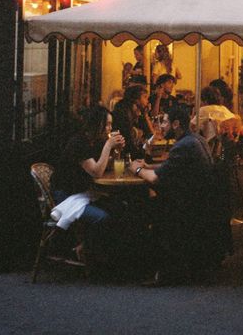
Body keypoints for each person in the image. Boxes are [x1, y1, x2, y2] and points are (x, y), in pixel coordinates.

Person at [128, 107, 230, 284]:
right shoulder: (196, 139)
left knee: (138, 208)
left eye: (166, 122)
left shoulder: (183, 146)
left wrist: (136, 169)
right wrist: (147, 166)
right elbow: (173, 168)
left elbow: (154, 179)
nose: (162, 126)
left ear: (176, 124)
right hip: (200, 201)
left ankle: (154, 269)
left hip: (184, 206)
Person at [51, 105, 125, 259]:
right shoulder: (79, 143)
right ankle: (84, 248)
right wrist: (108, 146)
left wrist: (116, 150)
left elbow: (105, 166)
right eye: (108, 124)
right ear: (97, 124)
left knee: (120, 206)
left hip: (82, 192)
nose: (110, 128)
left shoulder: (94, 141)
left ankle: (104, 254)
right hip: (66, 196)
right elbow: (96, 171)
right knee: (102, 217)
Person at [112, 84, 152, 157]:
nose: (147, 101)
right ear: (136, 99)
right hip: (123, 157)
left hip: (134, 155)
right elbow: (128, 142)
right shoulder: (123, 113)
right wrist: (141, 155)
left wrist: (146, 115)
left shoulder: (137, 113)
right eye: (145, 97)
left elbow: (150, 134)